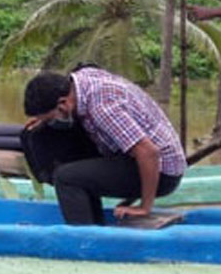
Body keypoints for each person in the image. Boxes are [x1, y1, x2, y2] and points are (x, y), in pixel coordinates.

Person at [23, 67, 186, 225]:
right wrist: (44, 120)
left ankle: (84, 239)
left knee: (65, 178)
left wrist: (144, 207)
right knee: (73, 167)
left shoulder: (102, 108)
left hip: (161, 172)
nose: (53, 122)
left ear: (63, 103)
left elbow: (149, 153)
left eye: (52, 118)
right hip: (137, 158)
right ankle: (93, 223)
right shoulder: (81, 80)